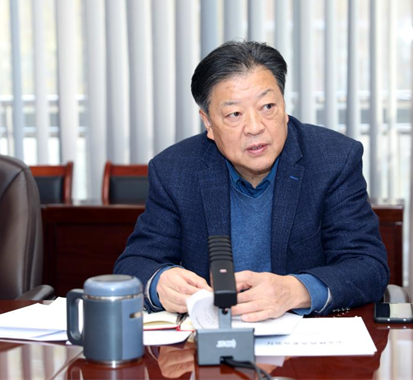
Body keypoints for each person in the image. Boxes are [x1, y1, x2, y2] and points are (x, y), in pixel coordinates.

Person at [114, 41, 388, 322]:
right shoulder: (175, 170)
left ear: (284, 106)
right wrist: (159, 282)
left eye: (268, 106)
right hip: (210, 338)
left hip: (306, 338)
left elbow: (368, 266)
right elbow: (135, 263)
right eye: (234, 114)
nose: (255, 127)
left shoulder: (333, 160)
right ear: (208, 122)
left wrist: (295, 290)